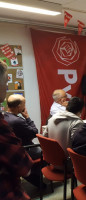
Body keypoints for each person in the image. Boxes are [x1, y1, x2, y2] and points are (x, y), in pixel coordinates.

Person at [0, 60, 33, 200]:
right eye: (5, 83)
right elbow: (25, 168)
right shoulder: (9, 123)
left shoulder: (6, 117)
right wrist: (28, 118)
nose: (6, 87)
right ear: (19, 107)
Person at [4, 94, 43, 188]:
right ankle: (34, 179)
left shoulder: (4, 116)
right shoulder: (17, 121)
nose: (25, 106)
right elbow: (35, 132)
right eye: (24, 104)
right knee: (45, 154)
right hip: (24, 149)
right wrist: (27, 117)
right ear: (19, 107)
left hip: (12, 150)